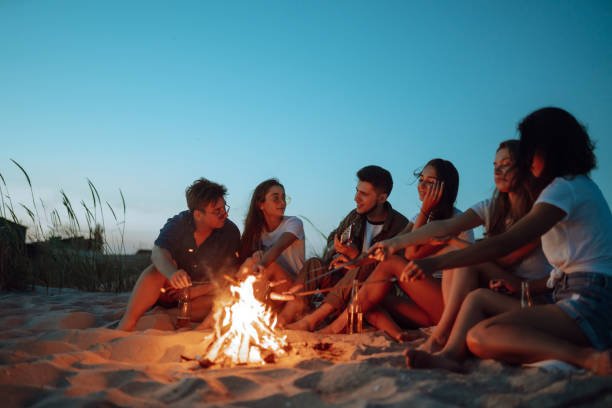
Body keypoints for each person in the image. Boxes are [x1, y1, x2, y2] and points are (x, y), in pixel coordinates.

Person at [379, 107, 612, 375]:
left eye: (529, 149)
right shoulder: (568, 187)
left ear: (549, 148)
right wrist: (393, 245)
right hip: (569, 293)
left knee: (480, 335)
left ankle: (587, 358)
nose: (527, 158)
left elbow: (503, 246)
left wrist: (436, 261)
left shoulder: (563, 189)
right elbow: (447, 227)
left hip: (588, 301)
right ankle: (452, 353)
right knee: (477, 301)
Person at [319, 159, 475, 338]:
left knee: (391, 263)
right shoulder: (419, 217)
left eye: (429, 182)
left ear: (443, 188)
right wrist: (357, 262)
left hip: (450, 302)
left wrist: (425, 210)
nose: (422, 186)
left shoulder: (453, 221)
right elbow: (393, 244)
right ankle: (399, 335)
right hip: (425, 305)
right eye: (421, 179)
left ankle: (333, 328)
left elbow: (411, 254)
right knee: (366, 298)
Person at [287, 165, 408, 330]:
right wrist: (336, 249)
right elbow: (332, 239)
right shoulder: (355, 215)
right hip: (340, 285)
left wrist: (356, 257)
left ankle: (317, 318)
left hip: (369, 292)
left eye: (363, 194)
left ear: (382, 198)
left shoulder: (400, 225)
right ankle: (288, 316)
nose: (356, 198)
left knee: (360, 268)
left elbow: (392, 270)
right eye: (357, 191)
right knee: (314, 264)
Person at [117, 178, 240, 331]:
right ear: (198, 214)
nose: (225, 214)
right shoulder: (179, 224)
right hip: (169, 293)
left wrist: (196, 291)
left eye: (224, 208)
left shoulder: (230, 232)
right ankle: (127, 323)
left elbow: (231, 273)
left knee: (229, 296)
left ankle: (168, 315)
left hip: (202, 296)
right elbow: (158, 252)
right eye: (218, 211)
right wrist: (172, 274)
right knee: (156, 270)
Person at [237, 179, 306, 319]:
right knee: (252, 261)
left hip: (293, 289)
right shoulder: (256, 230)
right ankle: (236, 307)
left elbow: (278, 247)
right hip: (269, 287)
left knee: (268, 264)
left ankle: (248, 313)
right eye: (276, 198)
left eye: (283, 197)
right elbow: (243, 259)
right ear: (261, 204)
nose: (282, 202)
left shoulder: (293, 223)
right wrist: (256, 258)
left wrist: (261, 262)